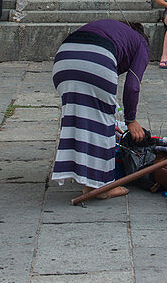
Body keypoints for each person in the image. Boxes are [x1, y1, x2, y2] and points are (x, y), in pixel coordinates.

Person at [51, 19, 150, 200]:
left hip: (63, 60)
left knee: (78, 118)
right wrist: (131, 120)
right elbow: (132, 85)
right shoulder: (141, 43)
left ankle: (81, 173)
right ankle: (101, 186)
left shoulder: (113, 30)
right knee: (103, 122)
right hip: (97, 59)